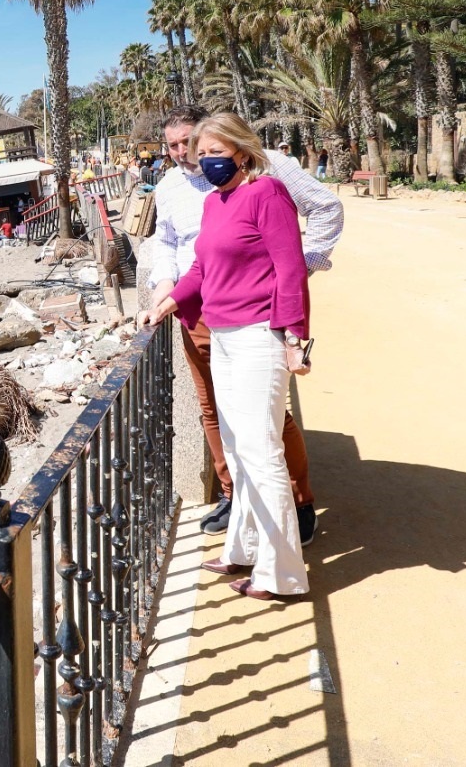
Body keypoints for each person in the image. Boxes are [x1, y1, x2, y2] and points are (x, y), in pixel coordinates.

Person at [147, 104, 343, 548]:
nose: (183, 154)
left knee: (268, 420)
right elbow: (167, 243)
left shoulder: (270, 175)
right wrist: (165, 289)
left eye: (190, 143)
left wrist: (298, 265)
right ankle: (237, 498)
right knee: (216, 412)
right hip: (197, 312)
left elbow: (326, 211)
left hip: (253, 317)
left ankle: (297, 503)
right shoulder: (173, 188)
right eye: (175, 146)